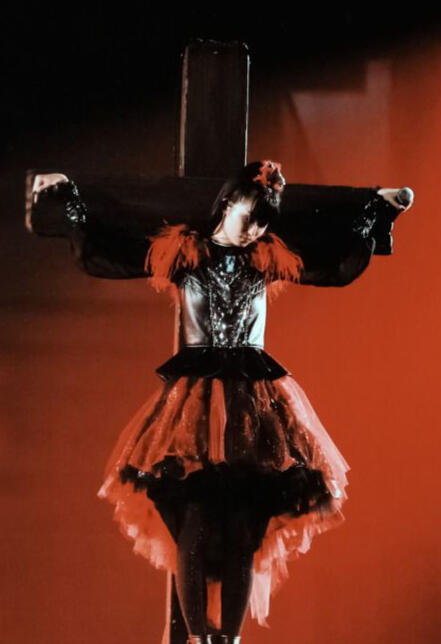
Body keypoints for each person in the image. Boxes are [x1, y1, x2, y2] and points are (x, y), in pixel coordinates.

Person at [32, 162, 412, 644]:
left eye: (263, 221)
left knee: (243, 529)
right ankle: (198, 638)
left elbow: (333, 269)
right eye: (250, 216)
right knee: (193, 520)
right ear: (229, 204)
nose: (254, 229)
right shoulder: (186, 253)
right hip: (197, 404)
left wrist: (378, 210)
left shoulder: (266, 258)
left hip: (255, 404)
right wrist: (71, 203)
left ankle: (228, 640)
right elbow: (110, 258)